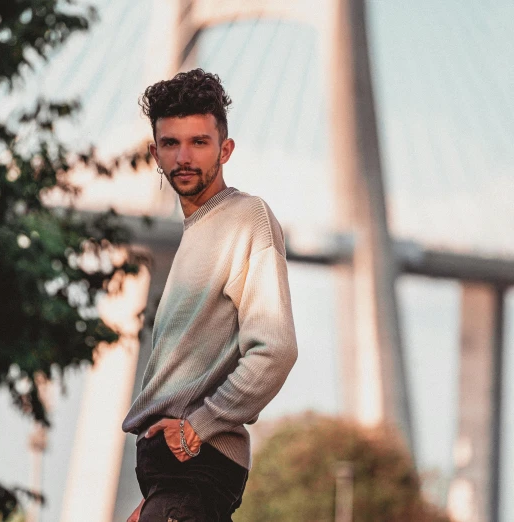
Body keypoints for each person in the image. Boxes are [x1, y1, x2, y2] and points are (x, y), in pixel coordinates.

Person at [122, 69, 299, 521]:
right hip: (175, 480)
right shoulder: (195, 235)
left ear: (225, 149)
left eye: (199, 142)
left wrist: (197, 429)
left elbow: (274, 350)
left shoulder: (246, 218)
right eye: (170, 143)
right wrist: (156, 494)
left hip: (193, 473)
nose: (184, 156)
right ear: (154, 153)